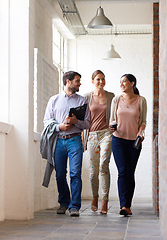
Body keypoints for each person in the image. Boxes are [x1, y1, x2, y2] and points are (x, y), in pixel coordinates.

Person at [43, 71, 90, 217]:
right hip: (58, 141)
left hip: (75, 139)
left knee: (75, 173)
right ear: (68, 82)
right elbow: (46, 122)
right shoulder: (54, 100)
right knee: (60, 174)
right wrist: (60, 127)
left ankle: (74, 206)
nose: (80, 83)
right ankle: (63, 203)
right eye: (77, 81)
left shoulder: (82, 101)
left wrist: (77, 122)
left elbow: (88, 123)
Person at [109, 73, 147, 216]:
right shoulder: (116, 100)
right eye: (120, 82)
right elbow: (112, 119)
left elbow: (143, 121)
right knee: (123, 171)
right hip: (118, 140)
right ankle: (123, 205)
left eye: (124, 81)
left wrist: (140, 132)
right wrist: (112, 126)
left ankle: (128, 205)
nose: (121, 84)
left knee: (130, 173)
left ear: (132, 83)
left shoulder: (141, 100)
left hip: (134, 142)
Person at [82, 70, 115, 214]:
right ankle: (95, 197)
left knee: (103, 165)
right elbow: (83, 118)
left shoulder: (111, 96)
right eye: (98, 79)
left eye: (103, 79)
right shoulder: (86, 97)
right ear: (93, 81)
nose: (101, 81)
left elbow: (115, 114)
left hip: (107, 134)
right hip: (92, 136)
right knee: (93, 171)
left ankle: (105, 200)